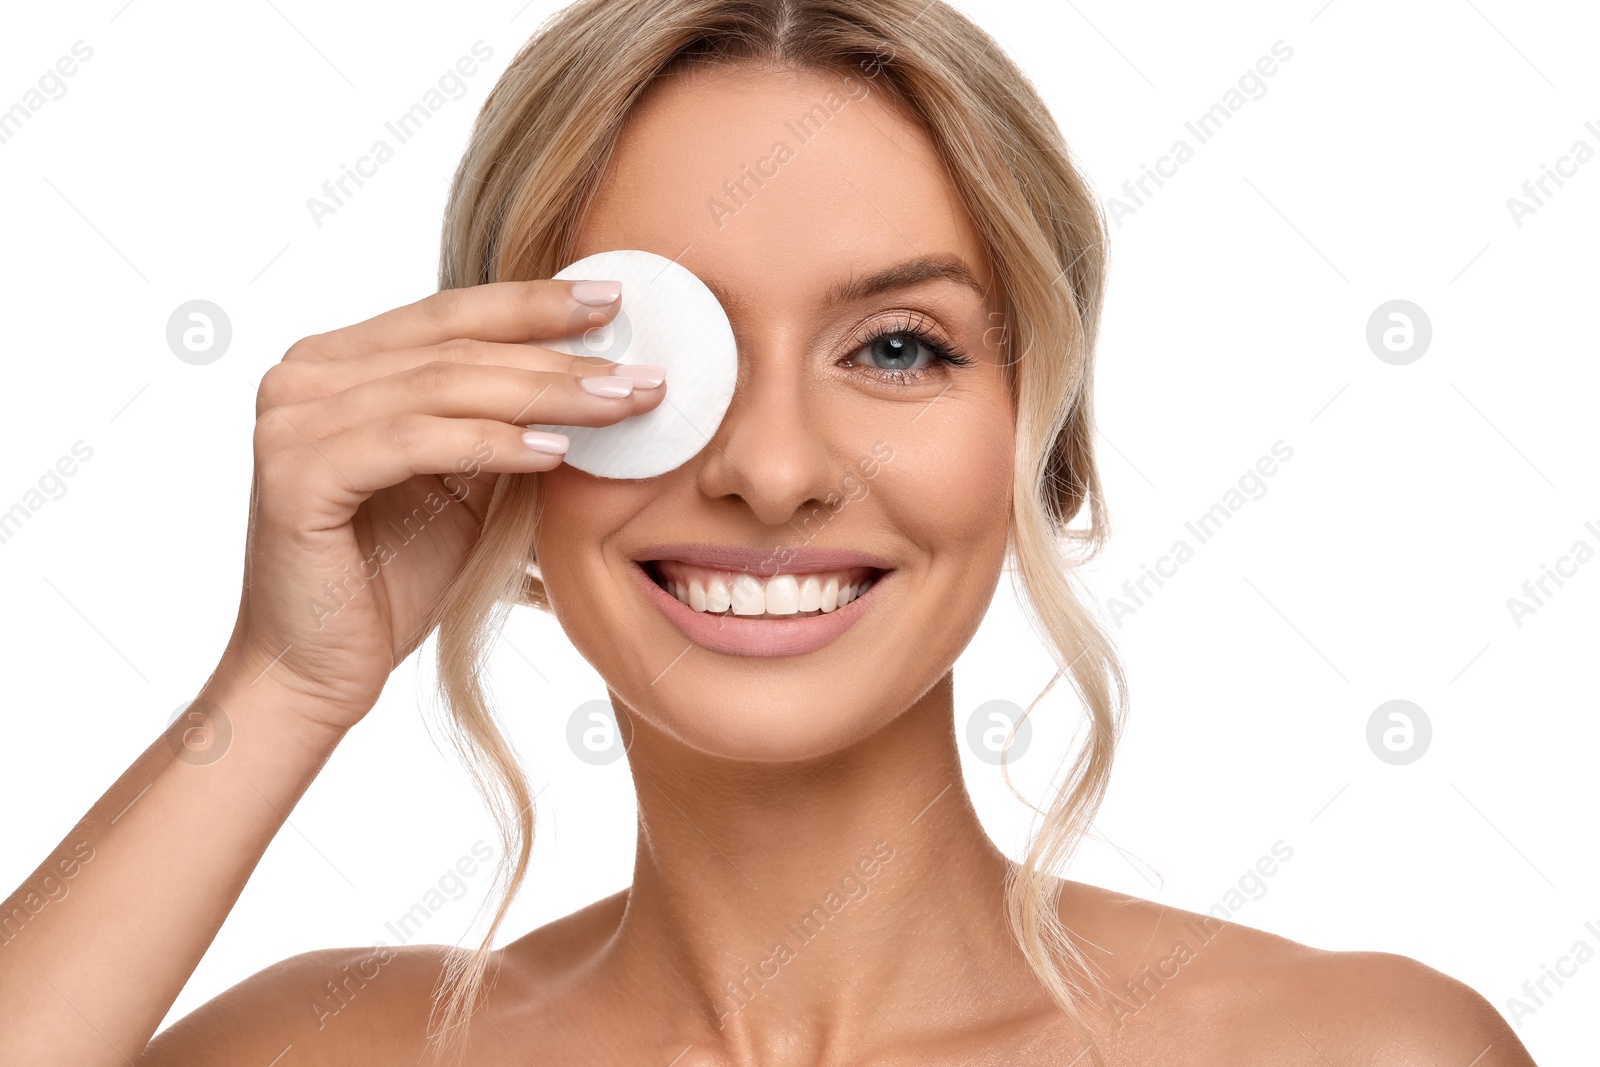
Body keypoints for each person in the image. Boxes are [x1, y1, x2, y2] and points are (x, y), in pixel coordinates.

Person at [0, 1, 1535, 1064]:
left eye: (898, 347)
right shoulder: (321, 1053)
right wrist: (282, 682)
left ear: (1039, 450)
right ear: (493, 440)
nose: (776, 470)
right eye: (657, 356)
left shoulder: (1361, 1052)